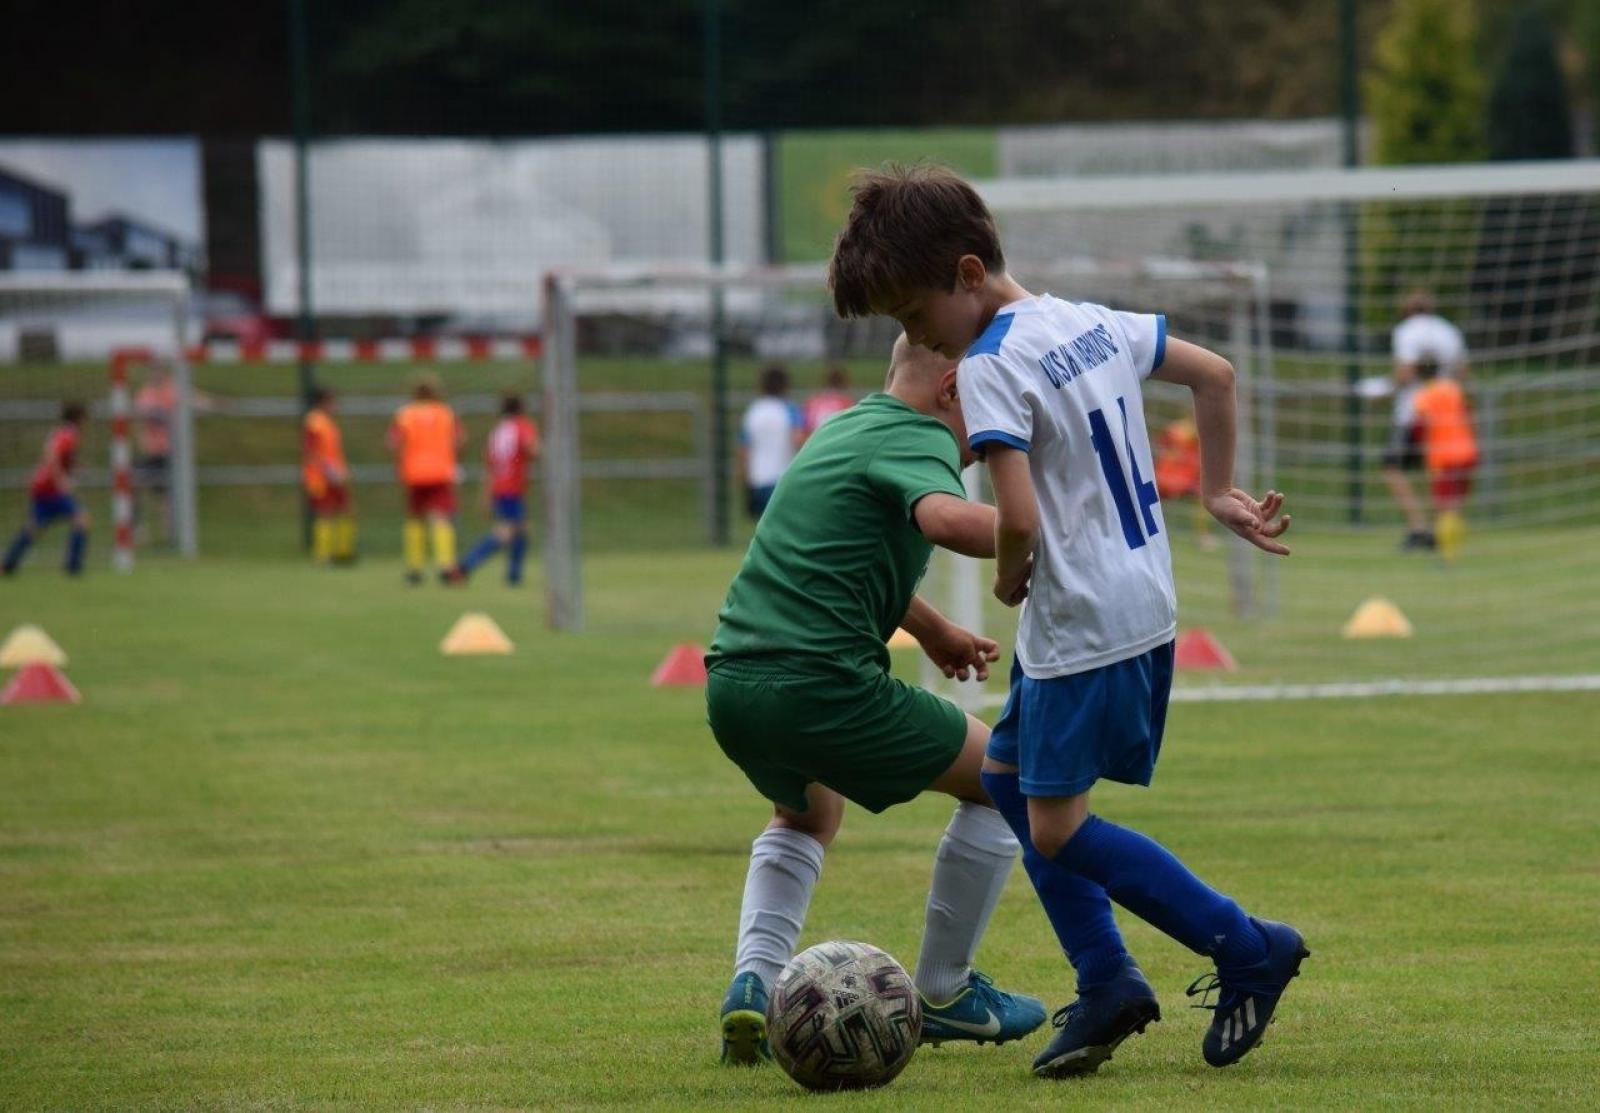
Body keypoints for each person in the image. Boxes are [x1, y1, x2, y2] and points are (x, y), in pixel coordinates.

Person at [828, 163, 1305, 1077]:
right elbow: (1215, 373)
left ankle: (1247, 945)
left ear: (968, 274)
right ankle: (1108, 980)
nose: (914, 336)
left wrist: (1009, 575)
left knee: (1053, 826)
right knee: (1006, 781)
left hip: (1081, 615)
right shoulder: (1085, 320)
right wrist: (1214, 491)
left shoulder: (995, 362)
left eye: (915, 314)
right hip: (1139, 600)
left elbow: (1016, 518)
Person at [709, 336, 1046, 1066]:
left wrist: (932, 629)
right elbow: (945, 520)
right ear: (955, 388)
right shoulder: (922, 433)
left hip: (735, 681)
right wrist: (1056, 531)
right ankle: (948, 990)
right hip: (819, 684)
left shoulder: (845, 427)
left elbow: (833, 556)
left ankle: (755, 983)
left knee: (806, 811)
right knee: (1006, 776)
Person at [1386, 289, 1468, 551]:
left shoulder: (1406, 330)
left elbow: (1406, 372)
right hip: (1446, 415)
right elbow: (1462, 372)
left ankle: (1419, 528)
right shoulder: (1449, 331)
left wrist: (1386, 387)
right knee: (1438, 470)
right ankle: (1441, 529)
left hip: (1412, 412)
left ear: (1408, 309)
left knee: (1392, 467)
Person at [450, 393, 540, 585]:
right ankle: (465, 566)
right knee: (507, 531)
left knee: (520, 530)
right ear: (522, 408)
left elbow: (490, 465)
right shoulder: (522, 426)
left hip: (501, 486)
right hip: (512, 486)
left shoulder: (499, 431)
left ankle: (514, 575)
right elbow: (531, 448)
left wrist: (485, 494)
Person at [387, 376, 465, 585]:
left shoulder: (405, 414)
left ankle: (415, 569)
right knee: (441, 518)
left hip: (414, 471)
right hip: (440, 471)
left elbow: (394, 443)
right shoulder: (446, 413)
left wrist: (400, 465)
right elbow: (459, 441)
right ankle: (446, 566)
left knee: (415, 519)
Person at [3, 401, 90, 576]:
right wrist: (61, 479)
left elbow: (53, 455)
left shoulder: (60, 432)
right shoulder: (69, 434)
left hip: (42, 486)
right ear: (79, 418)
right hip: (50, 488)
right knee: (81, 519)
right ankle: (73, 568)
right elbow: (52, 456)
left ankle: (7, 565)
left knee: (35, 527)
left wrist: (74, 467)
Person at [1409, 357, 1478, 564]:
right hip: (1467, 451)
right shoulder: (1453, 388)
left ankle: (1448, 557)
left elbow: (1422, 426)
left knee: (1444, 507)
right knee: (1456, 505)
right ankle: (1453, 552)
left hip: (1443, 456)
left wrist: (1422, 450)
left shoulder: (1423, 395)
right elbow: (1469, 414)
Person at [737, 365, 804, 520]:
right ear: (785, 386)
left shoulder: (754, 411)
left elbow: (743, 449)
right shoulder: (789, 409)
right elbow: (798, 440)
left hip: (758, 479)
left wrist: (744, 479)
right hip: (783, 481)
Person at [303, 387, 357, 566]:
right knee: (325, 514)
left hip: (336, 475)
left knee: (345, 511)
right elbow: (311, 451)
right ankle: (323, 556)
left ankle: (344, 552)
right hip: (321, 476)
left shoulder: (328, 422)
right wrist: (328, 469)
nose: (335, 406)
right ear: (322, 402)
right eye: (332, 402)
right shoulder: (314, 421)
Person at [1153, 416, 1215, 550]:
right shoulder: (1179, 430)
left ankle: (1202, 536)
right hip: (1169, 475)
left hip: (1186, 477)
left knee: (1203, 496)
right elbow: (1163, 445)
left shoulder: (1198, 435)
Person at [801, 363, 854, 437]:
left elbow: (805, 429)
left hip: (815, 442)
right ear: (844, 382)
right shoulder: (846, 402)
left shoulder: (814, 400)